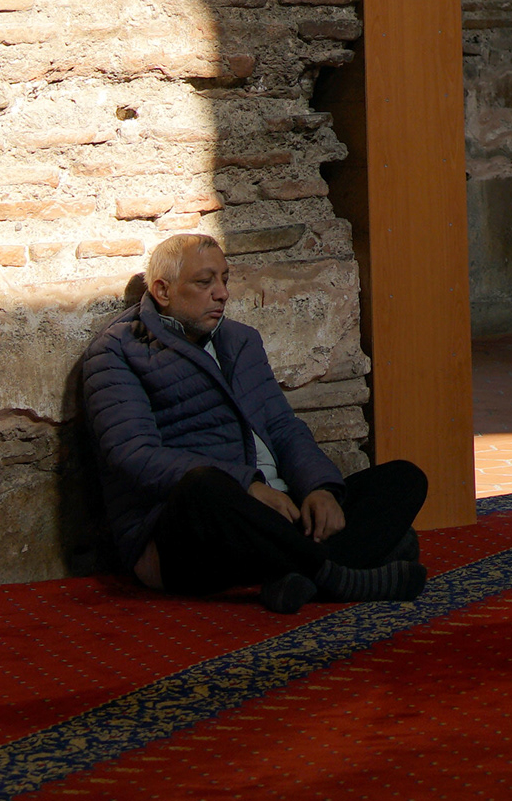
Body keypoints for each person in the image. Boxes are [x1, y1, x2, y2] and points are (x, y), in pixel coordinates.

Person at [78, 233, 428, 610]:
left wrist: (318, 489)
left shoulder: (240, 341)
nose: (222, 293)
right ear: (163, 291)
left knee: (405, 479)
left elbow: (282, 426)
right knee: (203, 485)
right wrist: (246, 486)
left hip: (279, 512)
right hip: (188, 530)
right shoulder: (115, 352)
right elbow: (132, 455)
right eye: (204, 281)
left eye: (224, 279)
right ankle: (337, 574)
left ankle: (294, 575)